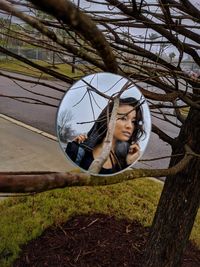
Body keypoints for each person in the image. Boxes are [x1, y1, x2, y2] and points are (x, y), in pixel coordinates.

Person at [65, 97, 145, 174]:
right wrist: (74, 150)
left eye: (134, 121)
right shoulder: (81, 151)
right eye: (123, 118)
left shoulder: (124, 160)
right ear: (108, 120)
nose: (130, 126)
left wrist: (128, 164)